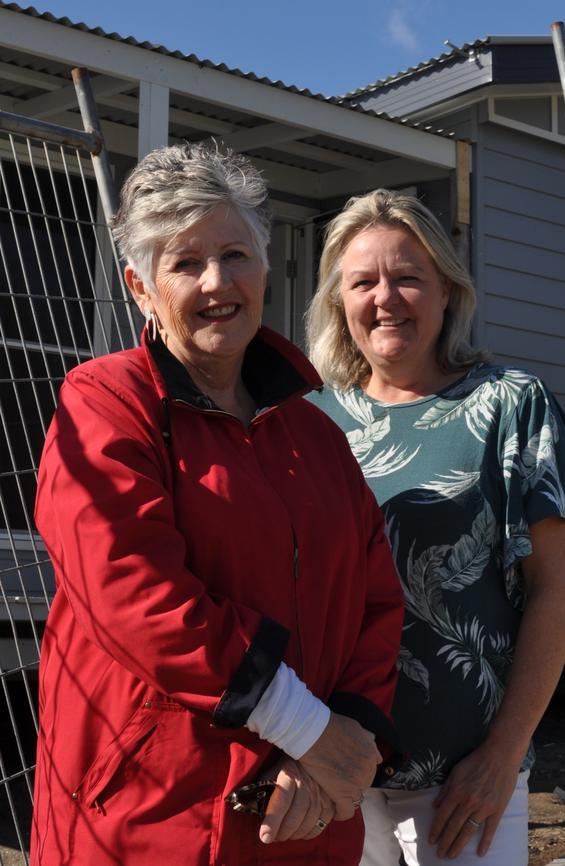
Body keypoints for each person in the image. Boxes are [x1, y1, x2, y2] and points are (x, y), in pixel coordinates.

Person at [30, 144, 404, 866]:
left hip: (306, 812)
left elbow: (378, 602)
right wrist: (310, 731)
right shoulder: (104, 405)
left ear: (265, 269)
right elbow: (137, 598)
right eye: (184, 263)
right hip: (151, 820)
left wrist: (341, 744)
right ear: (140, 288)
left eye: (235, 254)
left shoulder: (317, 434)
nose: (216, 282)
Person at [305, 189, 565, 866]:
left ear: (446, 290)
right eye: (363, 282)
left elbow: (558, 590)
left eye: (407, 277)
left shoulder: (509, 404)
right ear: (338, 302)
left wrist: (502, 756)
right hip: (332, 773)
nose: (385, 298)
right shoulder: (306, 424)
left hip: (464, 781)